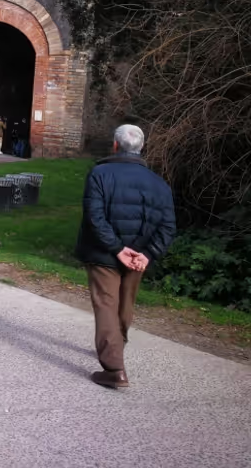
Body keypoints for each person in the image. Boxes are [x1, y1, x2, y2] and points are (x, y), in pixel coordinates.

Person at [76, 124, 175, 389]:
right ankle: (116, 347)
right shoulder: (159, 183)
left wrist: (118, 249)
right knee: (124, 305)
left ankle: (114, 369)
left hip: (104, 253)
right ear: (141, 149)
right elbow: (168, 227)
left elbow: (94, 217)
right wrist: (147, 255)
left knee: (107, 305)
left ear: (115, 145)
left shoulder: (99, 173)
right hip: (137, 256)